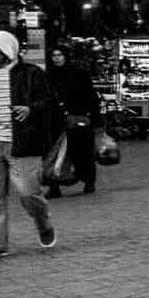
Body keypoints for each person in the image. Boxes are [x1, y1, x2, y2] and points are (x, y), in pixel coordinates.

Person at [0, 30, 59, 260]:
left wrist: (30, 109)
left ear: (6, 50)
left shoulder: (31, 73)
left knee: (29, 193)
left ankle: (43, 223)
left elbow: (49, 102)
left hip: (23, 143)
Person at [45, 44, 101, 198]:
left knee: (82, 151)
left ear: (66, 56)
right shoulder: (49, 75)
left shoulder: (79, 73)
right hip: (56, 120)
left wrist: (95, 119)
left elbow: (90, 96)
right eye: (54, 55)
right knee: (54, 154)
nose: (57, 58)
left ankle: (88, 181)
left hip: (78, 118)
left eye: (59, 55)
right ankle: (54, 185)